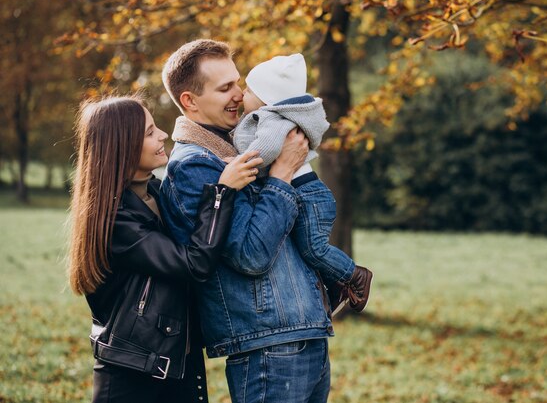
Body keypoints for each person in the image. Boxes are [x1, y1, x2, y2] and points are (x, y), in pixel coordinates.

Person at [159, 39, 332, 402]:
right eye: (225, 88)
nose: (240, 95)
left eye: (238, 83)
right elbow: (250, 254)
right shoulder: (194, 165)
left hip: (300, 334)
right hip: (268, 344)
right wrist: (282, 174)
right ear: (189, 100)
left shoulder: (241, 144)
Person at [67, 95, 262, 403]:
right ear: (122, 146)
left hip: (176, 369)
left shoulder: (156, 193)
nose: (162, 135)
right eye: (149, 132)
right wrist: (221, 192)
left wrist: (216, 173)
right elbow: (194, 262)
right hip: (134, 381)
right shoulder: (116, 219)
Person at [233, 53, 373, 314]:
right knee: (303, 248)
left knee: (313, 248)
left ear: (266, 97)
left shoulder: (274, 119)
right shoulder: (273, 116)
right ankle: (336, 289)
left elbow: (267, 148)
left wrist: (239, 164)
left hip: (308, 194)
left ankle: (355, 275)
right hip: (305, 191)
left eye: (249, 89)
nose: (242, 93)